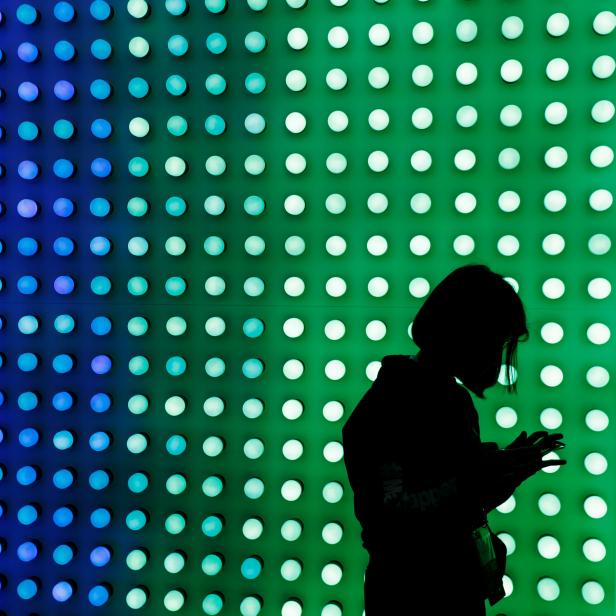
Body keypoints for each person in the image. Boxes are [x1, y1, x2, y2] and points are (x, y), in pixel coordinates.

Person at [341, 264, 567, 615]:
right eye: (497, 340)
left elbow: (432, 496)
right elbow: (397, 514)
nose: (499, 357)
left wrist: (495, 473)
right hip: (418, 594)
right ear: (469, 332)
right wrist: (482, 478)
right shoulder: (403, 401)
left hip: (427, 588)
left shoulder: (426, 395)